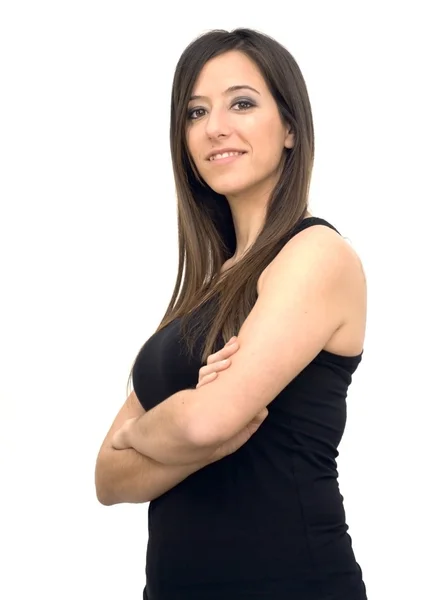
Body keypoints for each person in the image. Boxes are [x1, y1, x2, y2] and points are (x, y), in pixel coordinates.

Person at [95, 27, 368, 600]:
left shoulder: (315, 254)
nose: (215, 126)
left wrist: (142, 434)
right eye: (195, 111)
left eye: (241, 102)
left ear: (290, 128)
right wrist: (183, 426)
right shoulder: (205, 287)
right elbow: (108, 479)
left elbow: (206, 424)